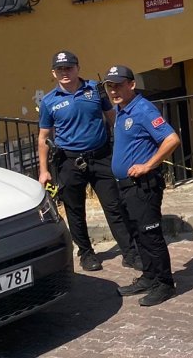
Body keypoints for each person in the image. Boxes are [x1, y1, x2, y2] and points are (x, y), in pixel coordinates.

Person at [37, 50, 140, 272]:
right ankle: (86, 253)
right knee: (75, 210)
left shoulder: (95, 89)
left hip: (101, 157)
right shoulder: (49, 101)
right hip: (69, 162)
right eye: (60, 69)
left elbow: (114, 119)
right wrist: (43, 171)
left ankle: (130, 252)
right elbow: (44, 137)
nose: (65, 72)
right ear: (53, 73)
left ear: (77, 68)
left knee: (114, 206)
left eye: (69, 68)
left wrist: (127, 148)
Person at [104, 65, 181, 307]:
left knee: (150, 234)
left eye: (118, 85)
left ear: (131, 84)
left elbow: (171, 139)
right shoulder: (121, 109)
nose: (114, 90)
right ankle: (149, 277)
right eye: (110, 86)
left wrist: (148, 165)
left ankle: (165, 284)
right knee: (137, 233)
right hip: (125, 185)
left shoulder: (144, 109)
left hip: (143, 185)